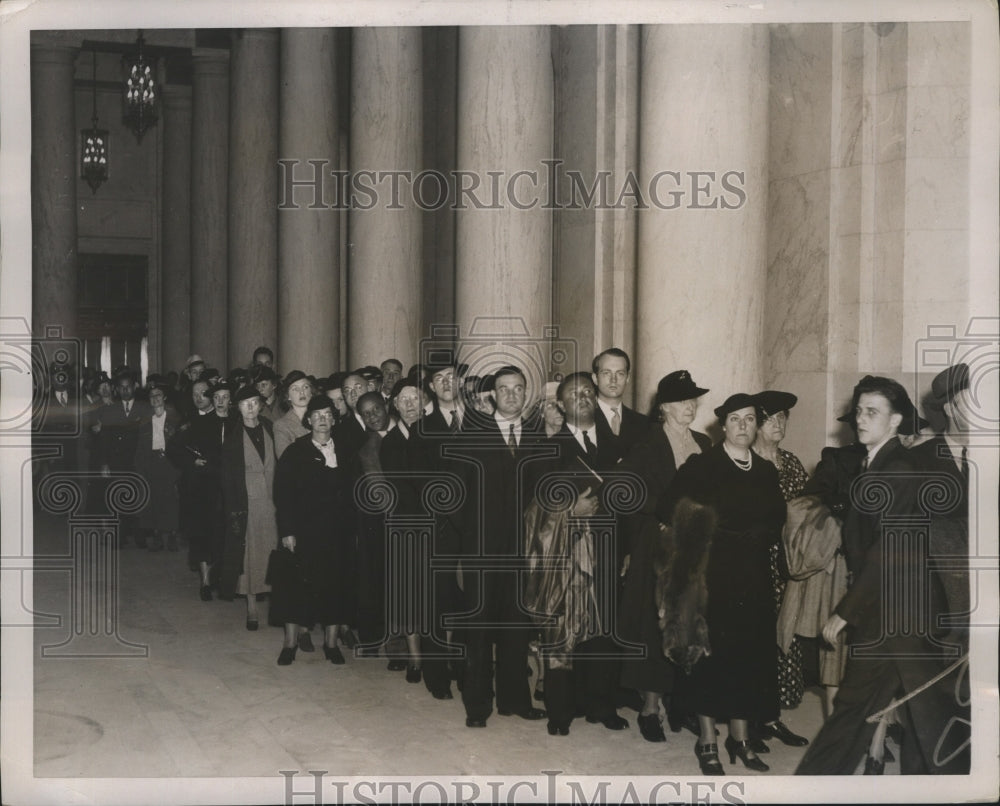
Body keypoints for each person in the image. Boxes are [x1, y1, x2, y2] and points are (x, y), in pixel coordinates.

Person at [796, 375, 962, 775]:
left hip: (901, 618)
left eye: (873, 412)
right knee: (917, 726)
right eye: (859, 411)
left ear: (895, 421)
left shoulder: (898, 468)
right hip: (894, 617)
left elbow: (888, 550)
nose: (861, 419)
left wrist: (845, 611)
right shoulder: (876, 465)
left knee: (925, 726)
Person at [657, 393, 786, 775]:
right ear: (723, 425)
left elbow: (777, 518)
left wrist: (760, 533)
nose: (743, 426)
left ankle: (741, 738)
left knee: (748, 656)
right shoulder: (704, 465)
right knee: (712, 659)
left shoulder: (765, 470)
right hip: (712, 577)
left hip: (754, 578)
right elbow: (667, 508)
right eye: (735, 419)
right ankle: (708, 740)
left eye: (750, 419)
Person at [524, 372, 628, 736]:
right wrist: (570, 511)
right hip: (564, 555)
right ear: (561, 405)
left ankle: (602, 705)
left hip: (608, 549)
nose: (581, 397)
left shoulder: (618, 444)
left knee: (603, 633)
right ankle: (560, 712)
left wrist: (627, 548)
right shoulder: (545, 446)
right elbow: (534, 504)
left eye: (587, 391)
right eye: (572, 394)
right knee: (562, 631)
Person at [618, 369, 711, 742]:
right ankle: (650, 707)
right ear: (664, 408)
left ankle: (682, 705)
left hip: (697, 552)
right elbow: (631, 497)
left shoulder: (704, 444)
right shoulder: (646, 445)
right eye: (681, 402)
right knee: (654, 628)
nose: (689, 407)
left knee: (691, 625)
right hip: (655, 548)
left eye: (693, 401)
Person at [456, 365, 547, 728]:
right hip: (481, 549)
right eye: (504, 388)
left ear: (526, 394)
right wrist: (472, 541)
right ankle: (477, 706)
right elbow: (454, 495)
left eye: (518, 388)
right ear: (493, 394)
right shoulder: (472, 435)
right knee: (478, 630)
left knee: (516, 627)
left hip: (522, 551)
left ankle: (515, 700)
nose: (511, 394)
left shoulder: (538, 436)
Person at [272, 396, 356, 665]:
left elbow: (355, 492)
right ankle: (290, 643)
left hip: (337, 532)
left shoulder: (345, 450)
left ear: (334, 419)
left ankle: (331, 644)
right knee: (295, 588)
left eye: (327, 414)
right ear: (308, 420)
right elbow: (282, 494)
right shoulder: (295, 452)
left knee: (336, 587)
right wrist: (287, 531)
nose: (322, 419)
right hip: (304, 532)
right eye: (316, 415)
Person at [749, 390, 810, 749]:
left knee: (786, 635)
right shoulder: (745, 461)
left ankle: (773, 716)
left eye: (783, 418)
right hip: (755, 563)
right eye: (772, 418)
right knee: (755, 639)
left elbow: (807, 509)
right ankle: (754, 717)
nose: (779, 424)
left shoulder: (791, 462)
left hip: (789, 565)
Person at [219, 384, 278, 631]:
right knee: (250, 557)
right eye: (245, 403)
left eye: (255, 402)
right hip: (248, 504)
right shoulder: (232, 436)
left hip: (273, 501)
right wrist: (234, 510)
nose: (251, 407)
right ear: (238, 407)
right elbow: (226, 478)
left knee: (274, 554)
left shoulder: (270, 428)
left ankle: (278, 604)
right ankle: (251, 607)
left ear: (261, 404)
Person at [176, 378, 229, 600]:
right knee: (201, 533)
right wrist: (191, 463)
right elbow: (175, 449)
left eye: (204, 393)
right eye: (195, 394)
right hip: (200, 486)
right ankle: (205, 581)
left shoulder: (230, 420)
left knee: (221, 533)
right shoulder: (190, 423)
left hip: (223, 485)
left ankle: (220, 577)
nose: (200, 398)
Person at [95, 367, 152, 547]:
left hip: (139, 460)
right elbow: (104, 439)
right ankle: (119, 537)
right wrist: (104, 463)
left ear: (135, 387)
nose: (125, 390)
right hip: (117, 461)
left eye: (128, 387)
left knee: (138, 498)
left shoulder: (145, 408)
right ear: (116, 389)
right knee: (117, 498)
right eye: (121, 387)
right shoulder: (110, 410)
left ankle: (140, 536)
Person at [134, 384, 182, 552]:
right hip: (152, 461)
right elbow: (140, 446)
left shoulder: (174, 418)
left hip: (170, 461)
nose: (155, 398)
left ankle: (173, 535)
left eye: (158, 395)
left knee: (171, 498)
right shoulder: (146, 421)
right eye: (152, 396)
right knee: (154, 499)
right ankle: (157, 535)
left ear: (164, 397)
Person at [591, 348, 647, 465]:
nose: (613, 380)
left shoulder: (644, 424)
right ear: (595, 378)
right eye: (606, 373)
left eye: (620, 373)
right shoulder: (582, 419)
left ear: (627, 378)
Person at [272, 370, 313, 459]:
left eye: (305, 387)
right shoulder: (281, 425)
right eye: (295, 389)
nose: (301, 392)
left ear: (311, 392)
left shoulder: (322, 417)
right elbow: (285, 460)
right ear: (288, 396)